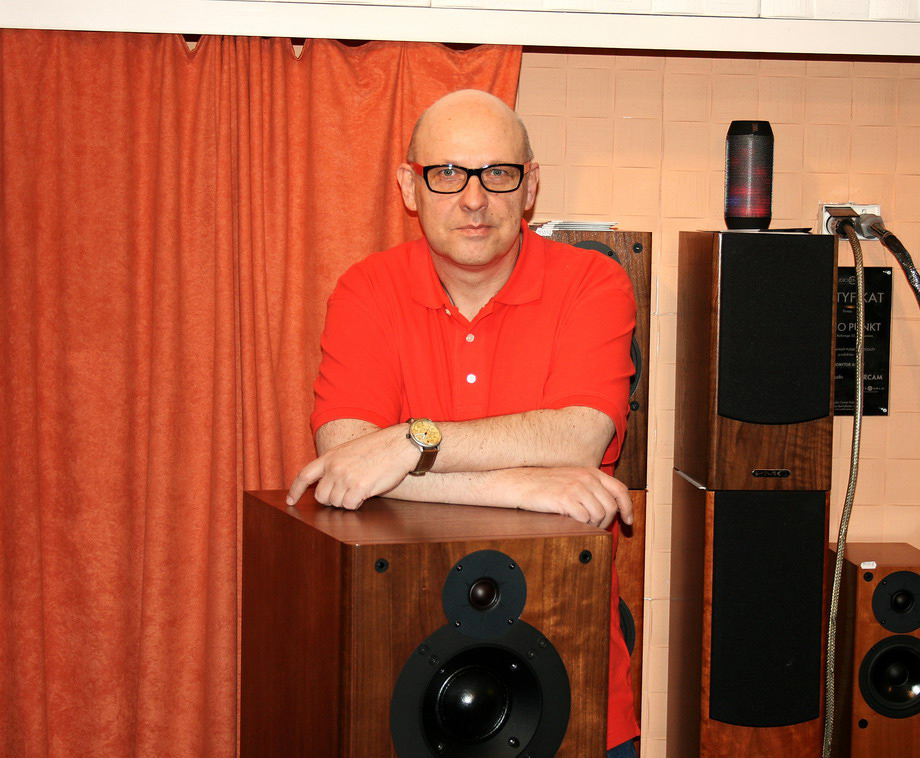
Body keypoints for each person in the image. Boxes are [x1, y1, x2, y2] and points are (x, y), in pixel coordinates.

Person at [287, 89, 639, 757]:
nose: (474, 199)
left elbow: (579, 438)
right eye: (447, 173)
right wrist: (520, 487)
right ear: (409, 186)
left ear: (529, 185)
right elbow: (345, 462)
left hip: (572, 677)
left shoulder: (593, 283)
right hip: (397, 682)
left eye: (497, 173)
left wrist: (409, 444)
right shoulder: (366, 290)